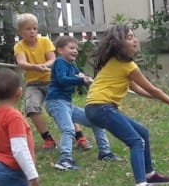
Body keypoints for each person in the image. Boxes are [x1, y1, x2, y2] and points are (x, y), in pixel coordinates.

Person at [81, 23, 169, 186]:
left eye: (134, 36)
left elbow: (139, 89)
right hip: (102, 107)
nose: (135, 40)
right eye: (130, 37)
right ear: (119, 43)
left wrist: (161, 98)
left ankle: (149, 175)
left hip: (97, 107)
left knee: (142, 133)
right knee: (136, 142)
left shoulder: (118, 64)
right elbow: (153, 89)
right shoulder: (128, 66)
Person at [46, 35, 119, 171]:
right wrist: (81, 80)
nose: (75, 51)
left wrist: (84, 77)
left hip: (67, 104)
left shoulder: (72, 64)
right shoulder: (59, 62)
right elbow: (62, 79)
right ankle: (65, 159)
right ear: (60, 50)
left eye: (76, 49)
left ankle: (105, 153)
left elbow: (78, 75)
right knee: (68, 129)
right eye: (71, 48)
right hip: (56, 102)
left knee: (95, 121)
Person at [11, 13, 63, 152]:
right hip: (33, 84)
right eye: (28, 29)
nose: (32, 31)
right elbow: (21, 63)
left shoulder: (45, 41)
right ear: (20, 32)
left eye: (34, 28)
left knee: (63, 106)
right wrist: (35, 67)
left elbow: (52, 59)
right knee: (31, 107)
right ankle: (48, 139)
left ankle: (79, 136)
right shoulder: (19, 46)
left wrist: (44, 65)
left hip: (51, 81)